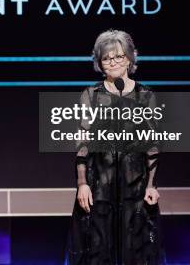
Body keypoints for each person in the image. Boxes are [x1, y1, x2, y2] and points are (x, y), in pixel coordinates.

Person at [65, 29, 164, 264]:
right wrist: (82, 184)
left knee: (137, 250)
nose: (113, 62)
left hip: (135, 187)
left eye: (119, 56)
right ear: (99, 63)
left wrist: (151, 184)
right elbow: (83, 142)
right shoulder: (91, 95)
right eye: (107, 58)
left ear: (130, 59)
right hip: (99, 186)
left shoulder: (145, 95)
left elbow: (152, 144)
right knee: (97, 251)